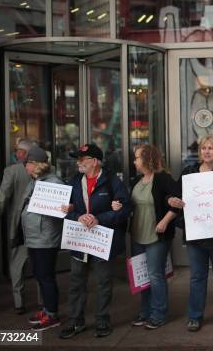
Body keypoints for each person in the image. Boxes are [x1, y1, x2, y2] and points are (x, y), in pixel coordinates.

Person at [59, 144, 131, 339]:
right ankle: (75, 321)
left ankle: (102, 319)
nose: (78, 162)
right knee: (76, 282)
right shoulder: (73, 182)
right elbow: (63, 210)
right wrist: (77, 216)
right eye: (78, 159)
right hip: (79, 240)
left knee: (103, 282)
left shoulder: (112, 182)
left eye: (83, 158)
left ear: (96, 161)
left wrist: (101, 218)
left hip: (102, 241)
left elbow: (125, 210)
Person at [169, 135, 213, 332]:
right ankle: (194, 316)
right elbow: (173, 194)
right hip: (196, 234)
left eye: (211, 148)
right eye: (203, 148)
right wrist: (172, 201)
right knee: (197, 277)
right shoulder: (189, 172)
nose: (207, 151)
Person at [117, 144, 179, 330]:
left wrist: (165, 221)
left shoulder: (163, 179)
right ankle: (145, 312)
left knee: (155, 274)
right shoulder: (137, 180)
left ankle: (158, 313)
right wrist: (120, 207)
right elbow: (131, 204)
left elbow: (177, 203)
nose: (134, 161)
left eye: (137, 157)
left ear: (147, 159)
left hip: (156, 236)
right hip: (137, 235)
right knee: (142, 276)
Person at [0, 138, 41, 314]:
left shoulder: (11, 171)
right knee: (40, 265)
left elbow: (2, 198)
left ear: (25, 154)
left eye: (19, 150)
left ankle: (19, 303)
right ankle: (44, 301)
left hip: (19, 226)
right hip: (41, 227)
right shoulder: (47, 170)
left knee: (17, 265)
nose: (16, 153)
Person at [19, 146, 64, 331]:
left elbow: (59, 210)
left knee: (46, 276)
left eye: (27, 163)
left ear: (36, 164)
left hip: (45, 238)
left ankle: (52, 315)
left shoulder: (54, 183)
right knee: (40, 275)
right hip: (35, 237)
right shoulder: (36, 181)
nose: (25, 167)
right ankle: (46, 309)